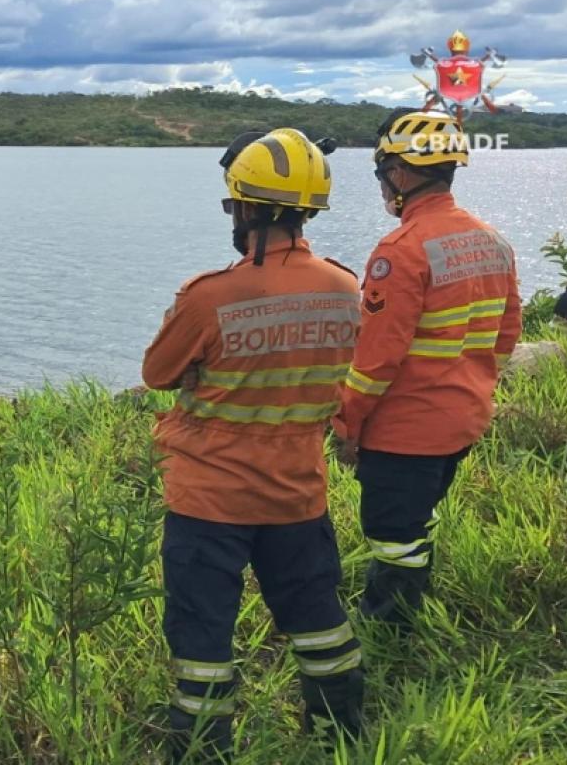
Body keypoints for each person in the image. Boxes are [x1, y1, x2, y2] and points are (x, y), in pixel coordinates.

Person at [143, 129, 364, 760]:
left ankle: (202, 748)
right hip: (297, 493)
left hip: (209, 498)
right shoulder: (346, 289)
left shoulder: (210, 295)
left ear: (244, 209)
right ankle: (341, 733)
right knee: (319, 620)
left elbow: (158, 373)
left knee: (202, 633)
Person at [335, 109, 523, 627]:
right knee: (418, 518)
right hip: (462, 421)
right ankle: (411, 599)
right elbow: (506, 334)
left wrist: (347, 425)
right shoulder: (493, 241)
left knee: (392, 537)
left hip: (404, 431)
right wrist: (475, 388)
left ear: (398, 174)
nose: (381, 187)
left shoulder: (401, 252)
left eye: (381, 175)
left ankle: (389, 630)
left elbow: (375, 361)